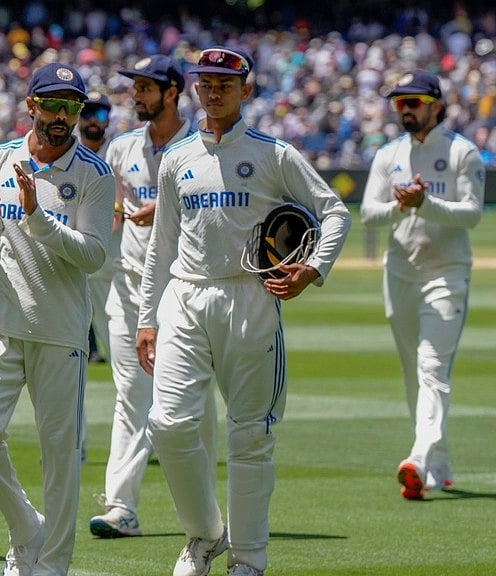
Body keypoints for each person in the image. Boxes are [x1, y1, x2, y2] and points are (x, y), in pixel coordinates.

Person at [134, 47, 351, 576]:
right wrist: (146, 318)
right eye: (205, 83)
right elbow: (161, 247)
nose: (213, 91)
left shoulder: (274, 153)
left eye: (225, 84)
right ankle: (205, 535)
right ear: (194, 89)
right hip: (184, 297)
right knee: (167, 425)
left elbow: (334, 210)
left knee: (251, 433)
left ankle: (249, 560)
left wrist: (312, 269)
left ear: (246, 91)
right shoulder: (175, 157)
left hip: (252, 298)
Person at [0, 62, 115, 576]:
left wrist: (37, 218)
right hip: (0, 322)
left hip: (61, 331)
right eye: (53, 105)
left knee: (60, 457)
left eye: (72, 107)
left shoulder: (94, 174)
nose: (63, 116)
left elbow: (94, 257)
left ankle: (50, 567)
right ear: (31, 105)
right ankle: (27, 526)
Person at [90, 55, 218, 539]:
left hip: (187, 291)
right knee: (130, 396)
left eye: (146, 87)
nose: (136, 95)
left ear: (172, 93)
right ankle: (121, 506)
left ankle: (207, 515)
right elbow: (112, 207)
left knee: (196, 406)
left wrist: (164, 211)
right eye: (135, 87)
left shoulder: (203, 146)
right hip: (128, 290)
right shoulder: (123, 148)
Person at [361, 70, 484, 500]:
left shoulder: (461, 153)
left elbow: (471, 213)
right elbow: (368, 212)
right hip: (400, 275)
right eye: (400, 103)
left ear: (436, 105)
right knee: (416, 375)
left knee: (433, 368)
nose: (406, 109)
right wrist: (402, 206)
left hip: (447, 273)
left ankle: (416, 458)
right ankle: (439, 464)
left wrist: (425, 203)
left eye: (414, 102)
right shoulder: (388, 154)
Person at [78, 91, 114, 464]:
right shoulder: (68, 156)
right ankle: (77, 445)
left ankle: (142, 436)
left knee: (126, 363)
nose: (93, 119)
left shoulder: (118, 157)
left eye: (100, 112)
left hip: (114, 276)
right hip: (73, 274)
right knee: (71, 363)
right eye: (87, 112)